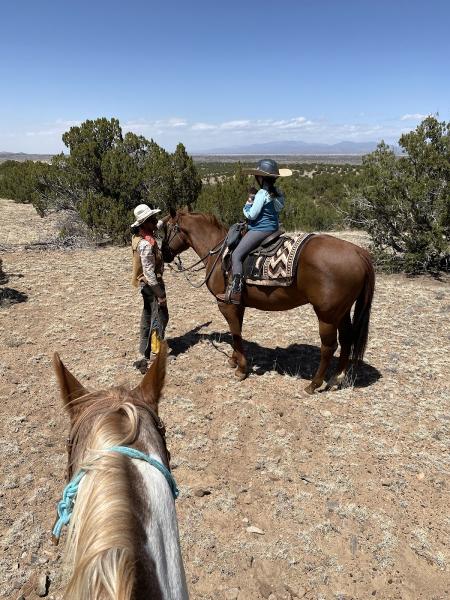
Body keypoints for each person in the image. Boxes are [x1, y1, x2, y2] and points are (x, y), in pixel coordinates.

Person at [217, 158, 292, 305]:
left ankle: (236, 292)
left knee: (237, 255)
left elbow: (251, 215)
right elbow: (277, 209)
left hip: (260, 230)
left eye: (257, 176)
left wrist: (249, 200)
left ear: (261, 178)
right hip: (274, 228)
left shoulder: (261, 194)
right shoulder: (277, 193)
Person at [131, 204, 168, 372]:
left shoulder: (142, 236)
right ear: (144, 223)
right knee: (159, 317)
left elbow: (160, 223)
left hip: (145, 286)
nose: (155, 221)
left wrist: (172, 216)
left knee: (147, 317)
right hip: (152, 286)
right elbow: (149, 273)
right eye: (151, 219)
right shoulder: (146, 245)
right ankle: (155, 353)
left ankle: (143, 351)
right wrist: (160, 294)